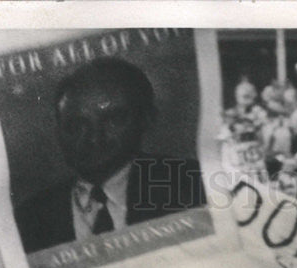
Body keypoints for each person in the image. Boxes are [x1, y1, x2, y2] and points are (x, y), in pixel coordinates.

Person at [16, 58, 206, 253]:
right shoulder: (28, 219)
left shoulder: (195, 184)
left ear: (146, 120)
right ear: (59, 132)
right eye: (76, 125)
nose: (94, 138)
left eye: (113, 120)